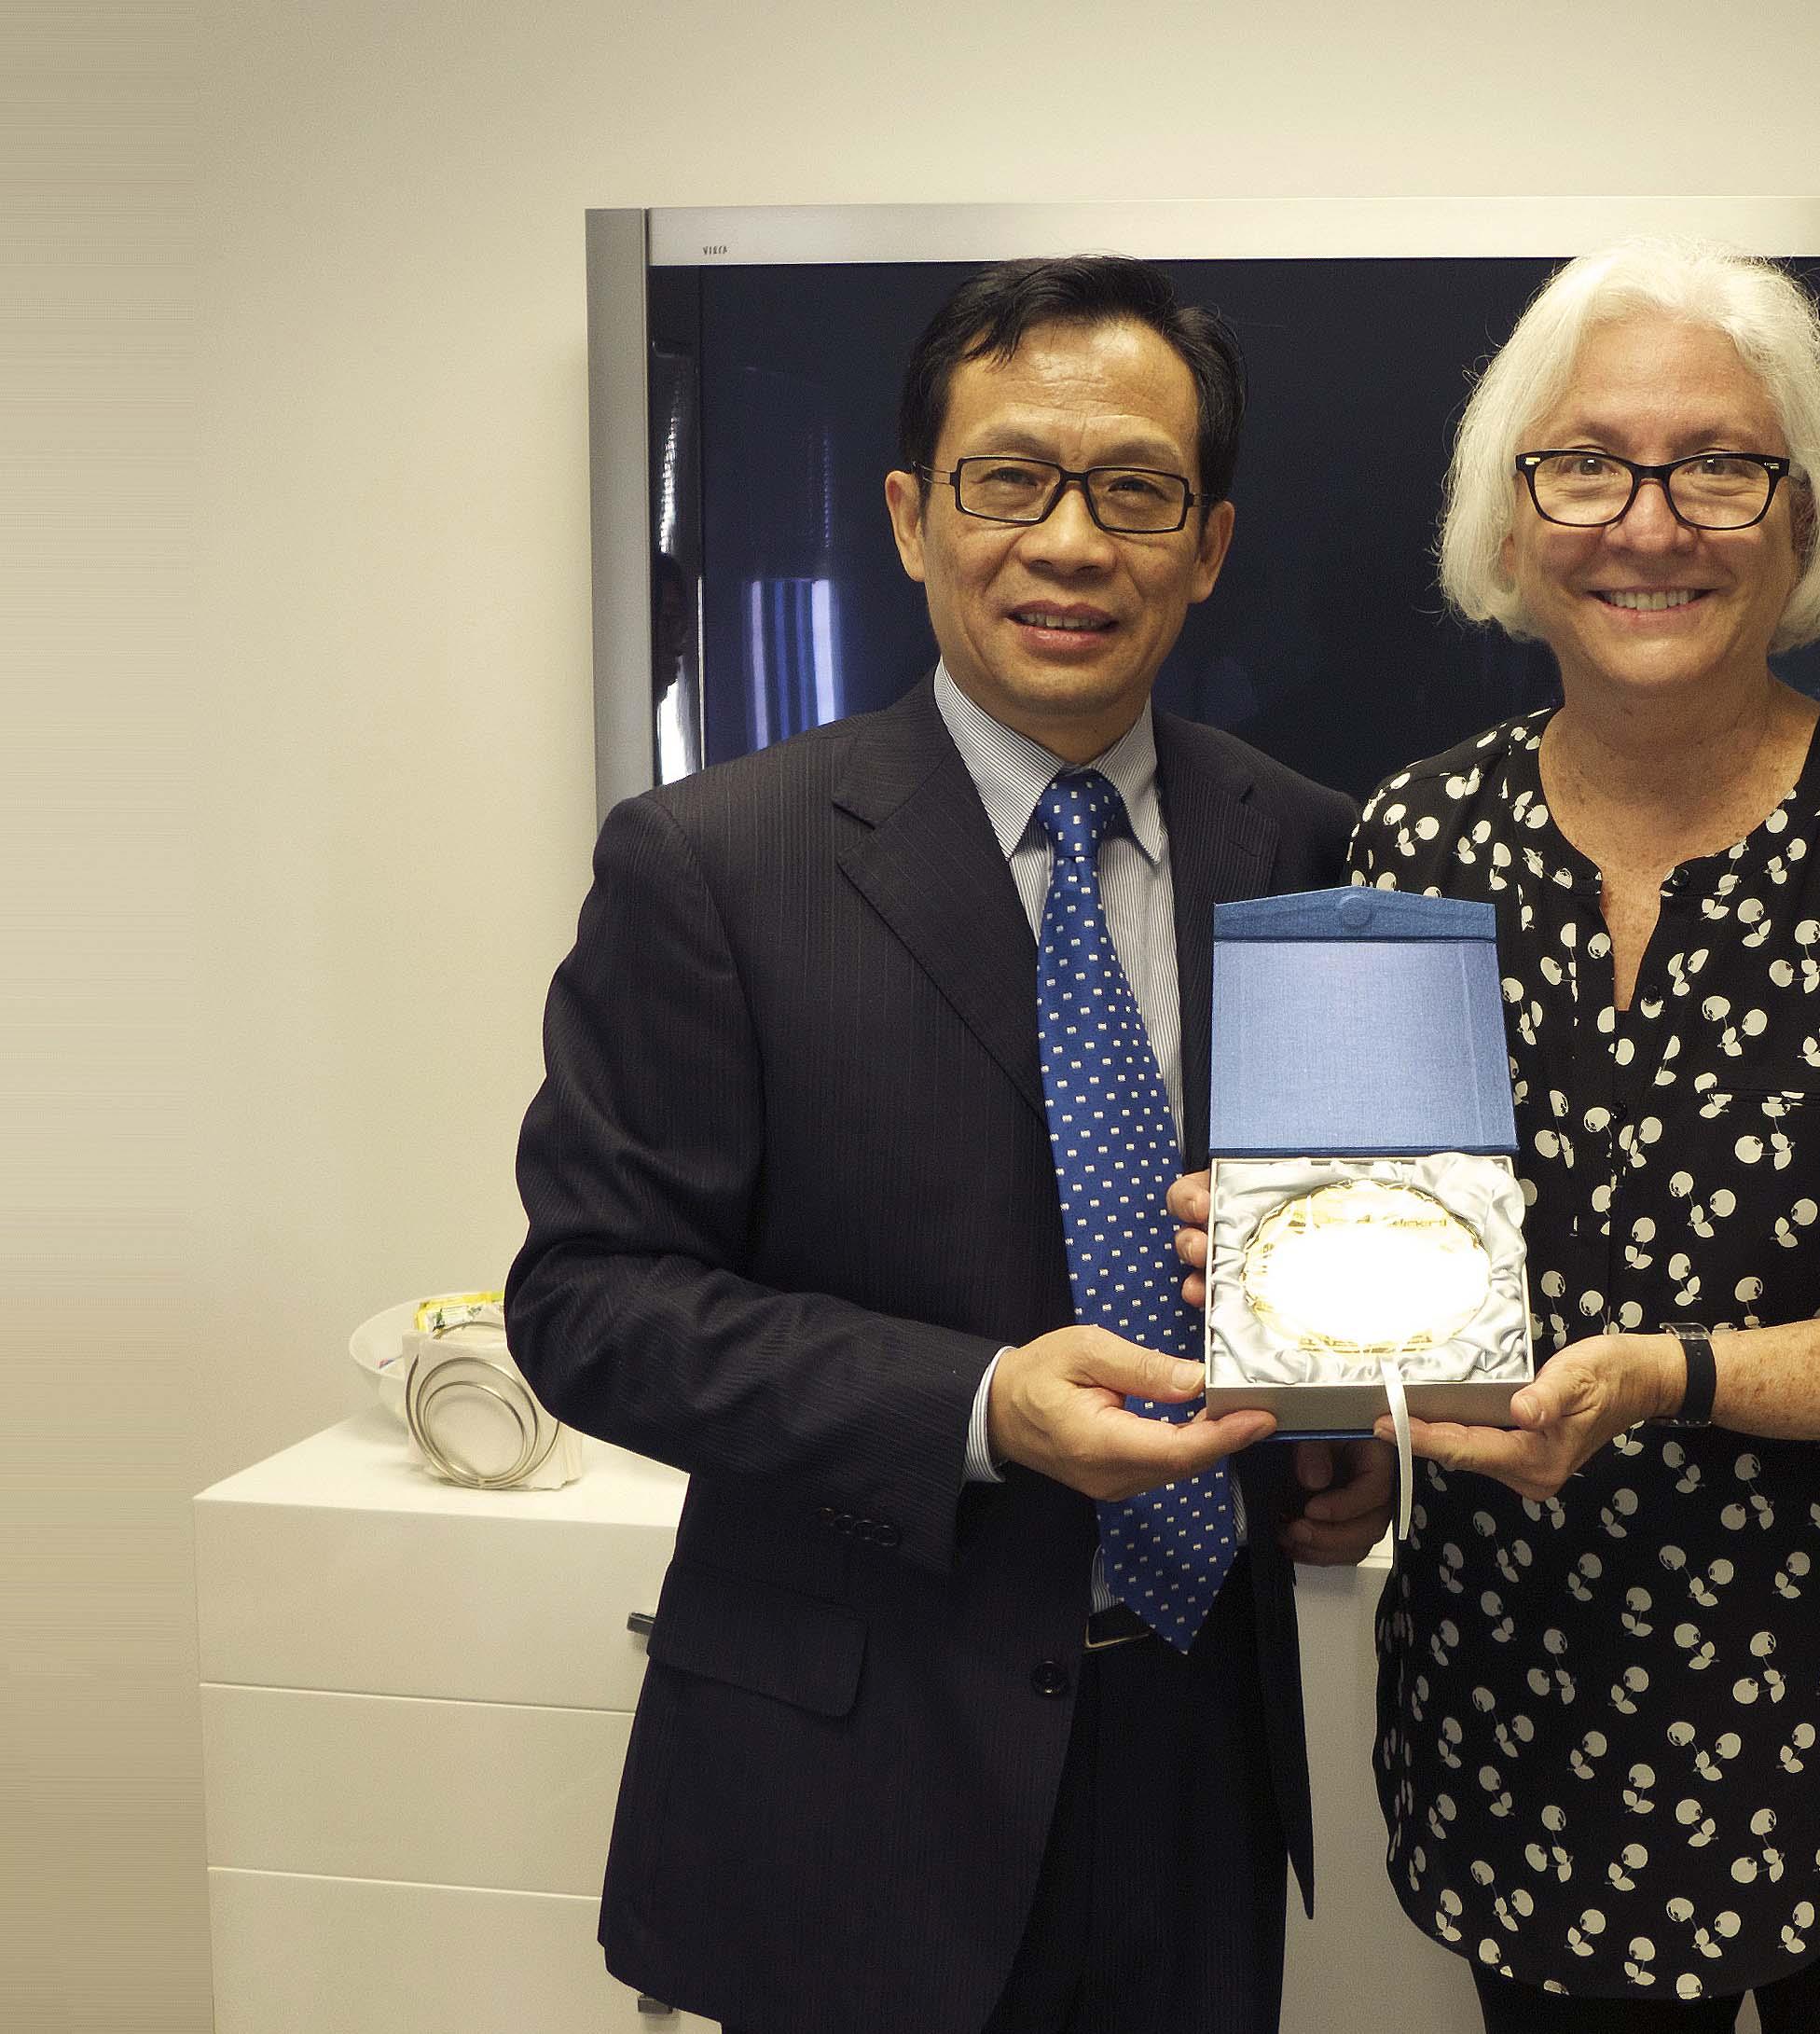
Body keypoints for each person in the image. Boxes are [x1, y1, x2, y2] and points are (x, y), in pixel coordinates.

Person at [508, 255, 1387, 2034]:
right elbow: (588, 1302)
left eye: (1135, 489)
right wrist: (979, 1406)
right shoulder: (713, 864)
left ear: (1208, 544)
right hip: (854, 1781)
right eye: (1011, 480)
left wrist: (1335, 1438)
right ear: (914, 519)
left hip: (1203, 1756)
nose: (1070, 542)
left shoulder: (1308, 846)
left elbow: (1324, 1236)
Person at [1336, 242, 1820, 2031]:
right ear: (1512, 520)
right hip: (1537, 1735)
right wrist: (1322, 1375)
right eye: (1586, 465)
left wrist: (1673, 1374)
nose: (1649, 522)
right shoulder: (1411, 848)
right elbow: (1387, 1274)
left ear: (1800, 519)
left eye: (1719, 467)